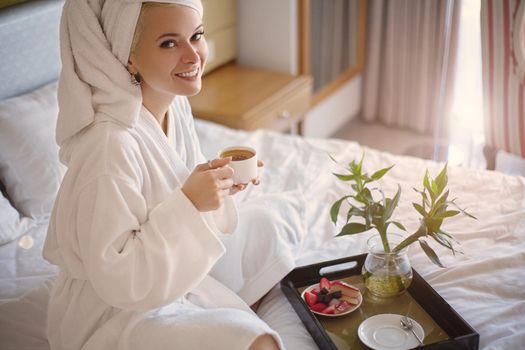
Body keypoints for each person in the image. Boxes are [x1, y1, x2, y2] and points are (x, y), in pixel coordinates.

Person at [43, 0, 297, 349]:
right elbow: (119, 279)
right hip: (117, 313)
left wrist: (219, 187)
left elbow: (176, 189)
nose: (193, 56)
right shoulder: (108, 147)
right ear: (128, 56)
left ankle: (226, 311)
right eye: (169, 43)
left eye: (196, 36)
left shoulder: (175, 106)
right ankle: (230, 317)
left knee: (275, 219)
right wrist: (190, 204)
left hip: (168, 268)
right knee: (254, 342)